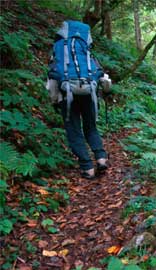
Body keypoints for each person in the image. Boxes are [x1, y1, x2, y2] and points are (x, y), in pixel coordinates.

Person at [46, 20, 112, 179]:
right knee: (91, 128)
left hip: (66, 96)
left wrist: (55, 100)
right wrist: (105, 91)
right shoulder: (87, 53)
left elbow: (52, 81)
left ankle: (87, 168)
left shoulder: (59, 51)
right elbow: (105, 80)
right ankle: (101, 159)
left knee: (74, 131)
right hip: (89, 94)